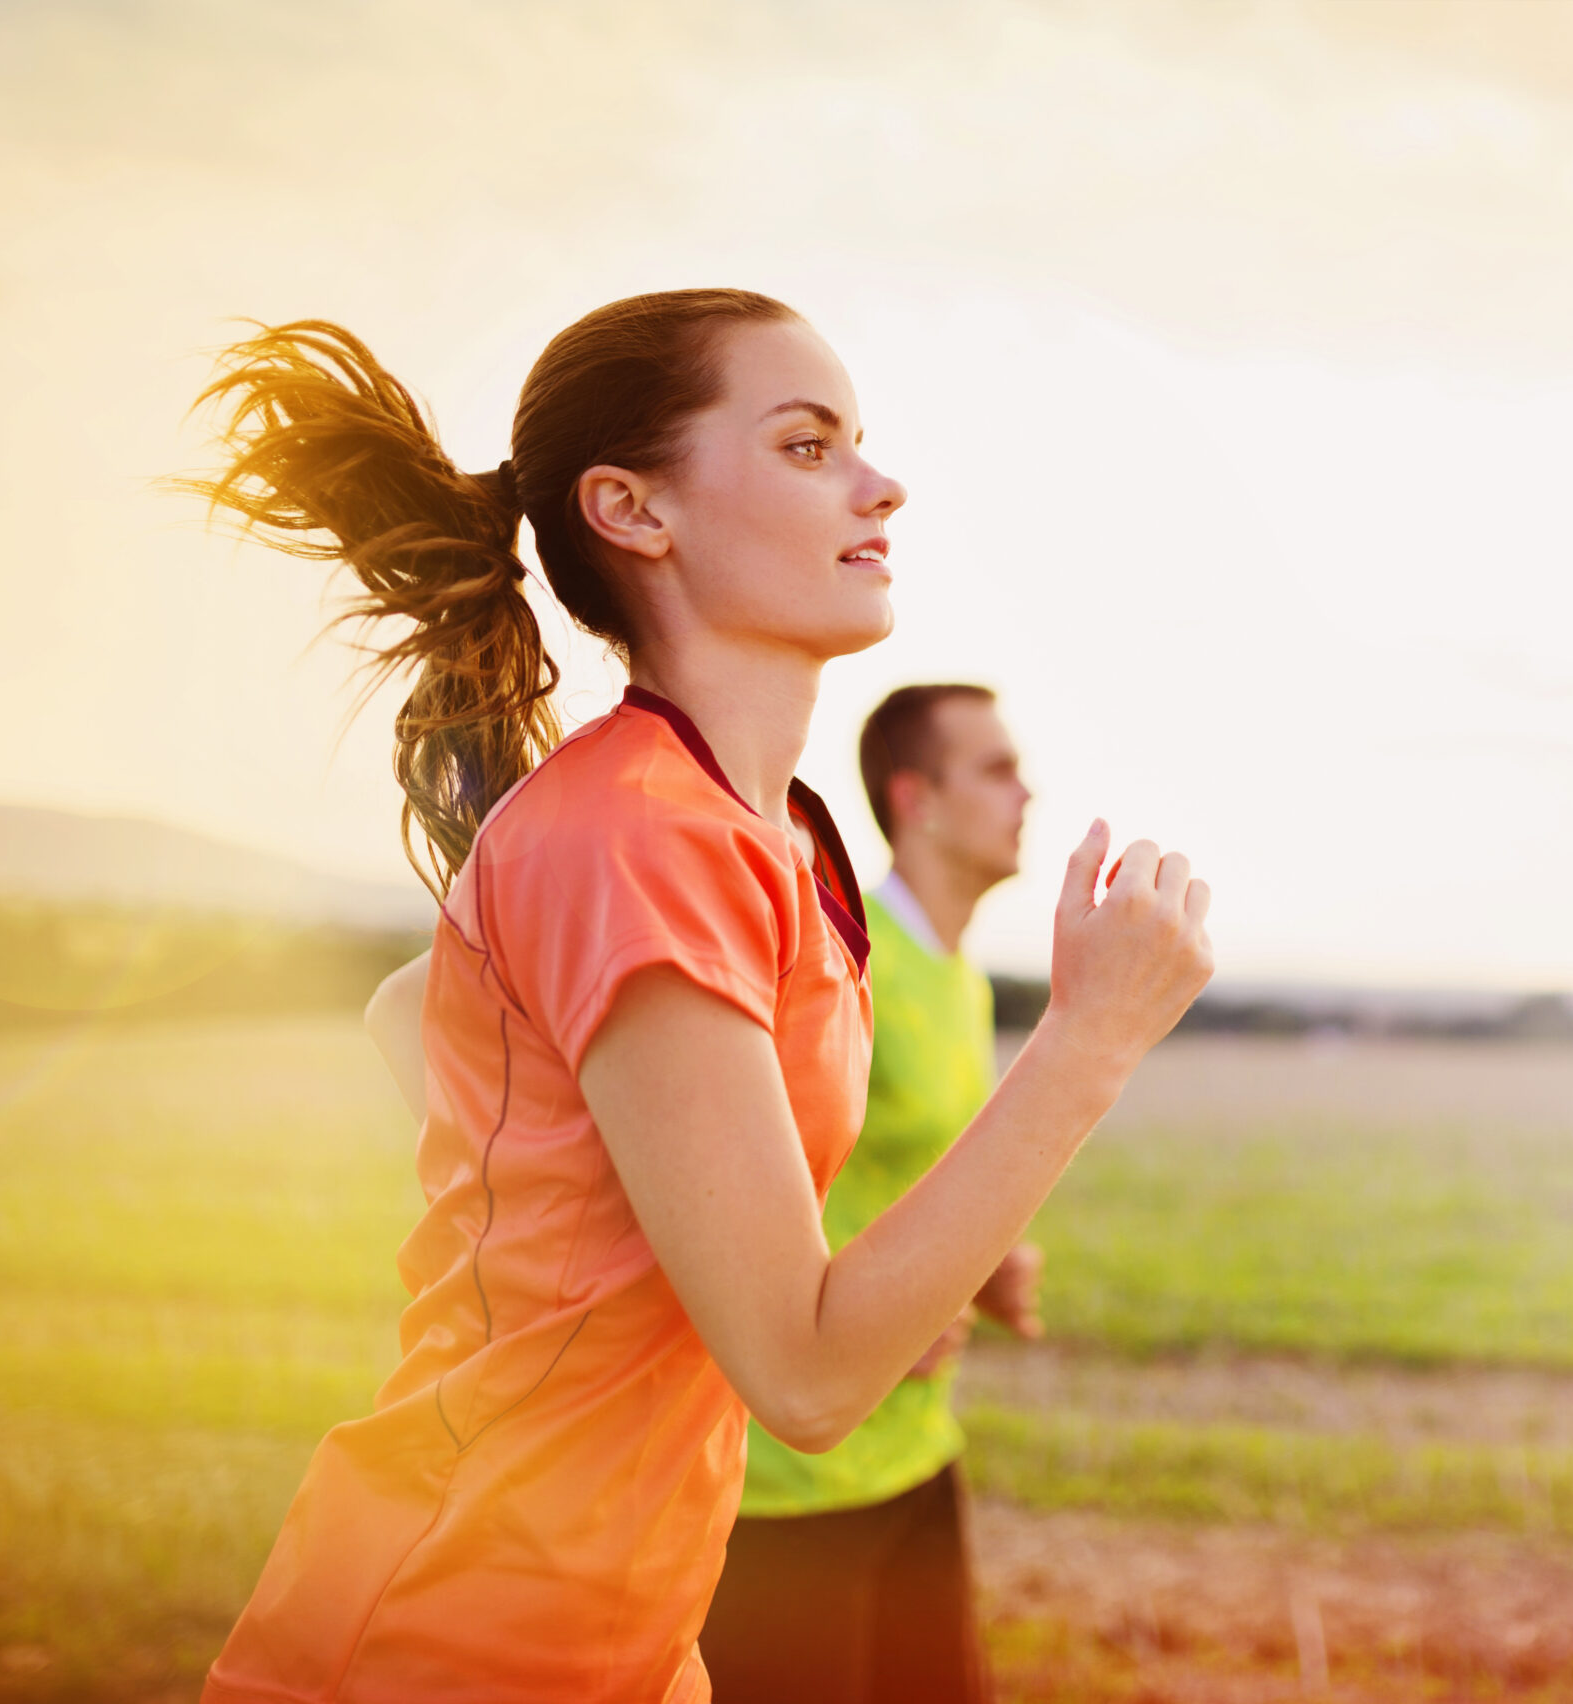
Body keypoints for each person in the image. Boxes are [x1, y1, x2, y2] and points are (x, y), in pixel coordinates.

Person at [185, 289, 1213, 1704]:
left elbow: (413, 1011)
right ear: (634, 510)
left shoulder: (758, 828)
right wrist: (1091, 1040)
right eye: (807, 447)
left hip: (624, 1639)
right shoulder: (640, 834)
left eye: (859, 442)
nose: (881, 482)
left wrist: (607, 1221)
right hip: (446, 1637)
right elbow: (803, 1377)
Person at [696, 683, 1036, 1703]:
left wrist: (979, 1269)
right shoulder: (848, 964)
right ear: (914, 798)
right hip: (791, 1486)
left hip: (916, 1453)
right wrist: (872, 1314)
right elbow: (728, 1195)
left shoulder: (957, 975)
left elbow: (892, 1179)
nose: (1029, 790)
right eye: (995, 768)